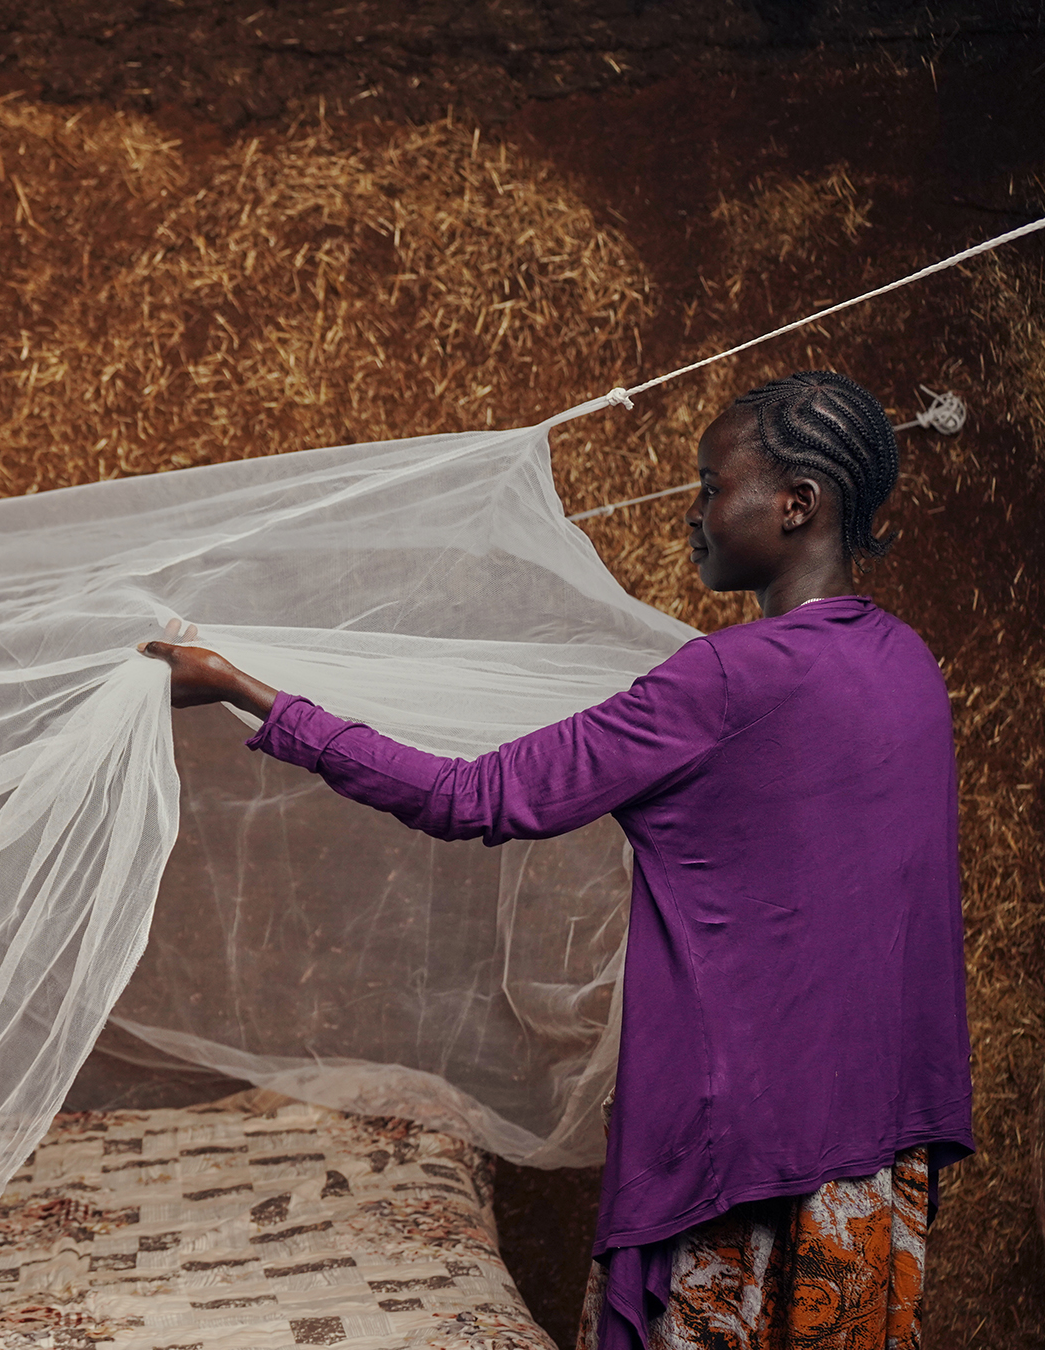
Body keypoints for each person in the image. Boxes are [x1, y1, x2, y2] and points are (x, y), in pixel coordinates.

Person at [142, 371, 971, 1350]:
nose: (694, 514)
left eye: (713, 486)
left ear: (796, 505)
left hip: (745, 1161)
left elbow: (473, 796)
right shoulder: (904, 660)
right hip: (870, 1157)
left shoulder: (723, 680)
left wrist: (248, 691)